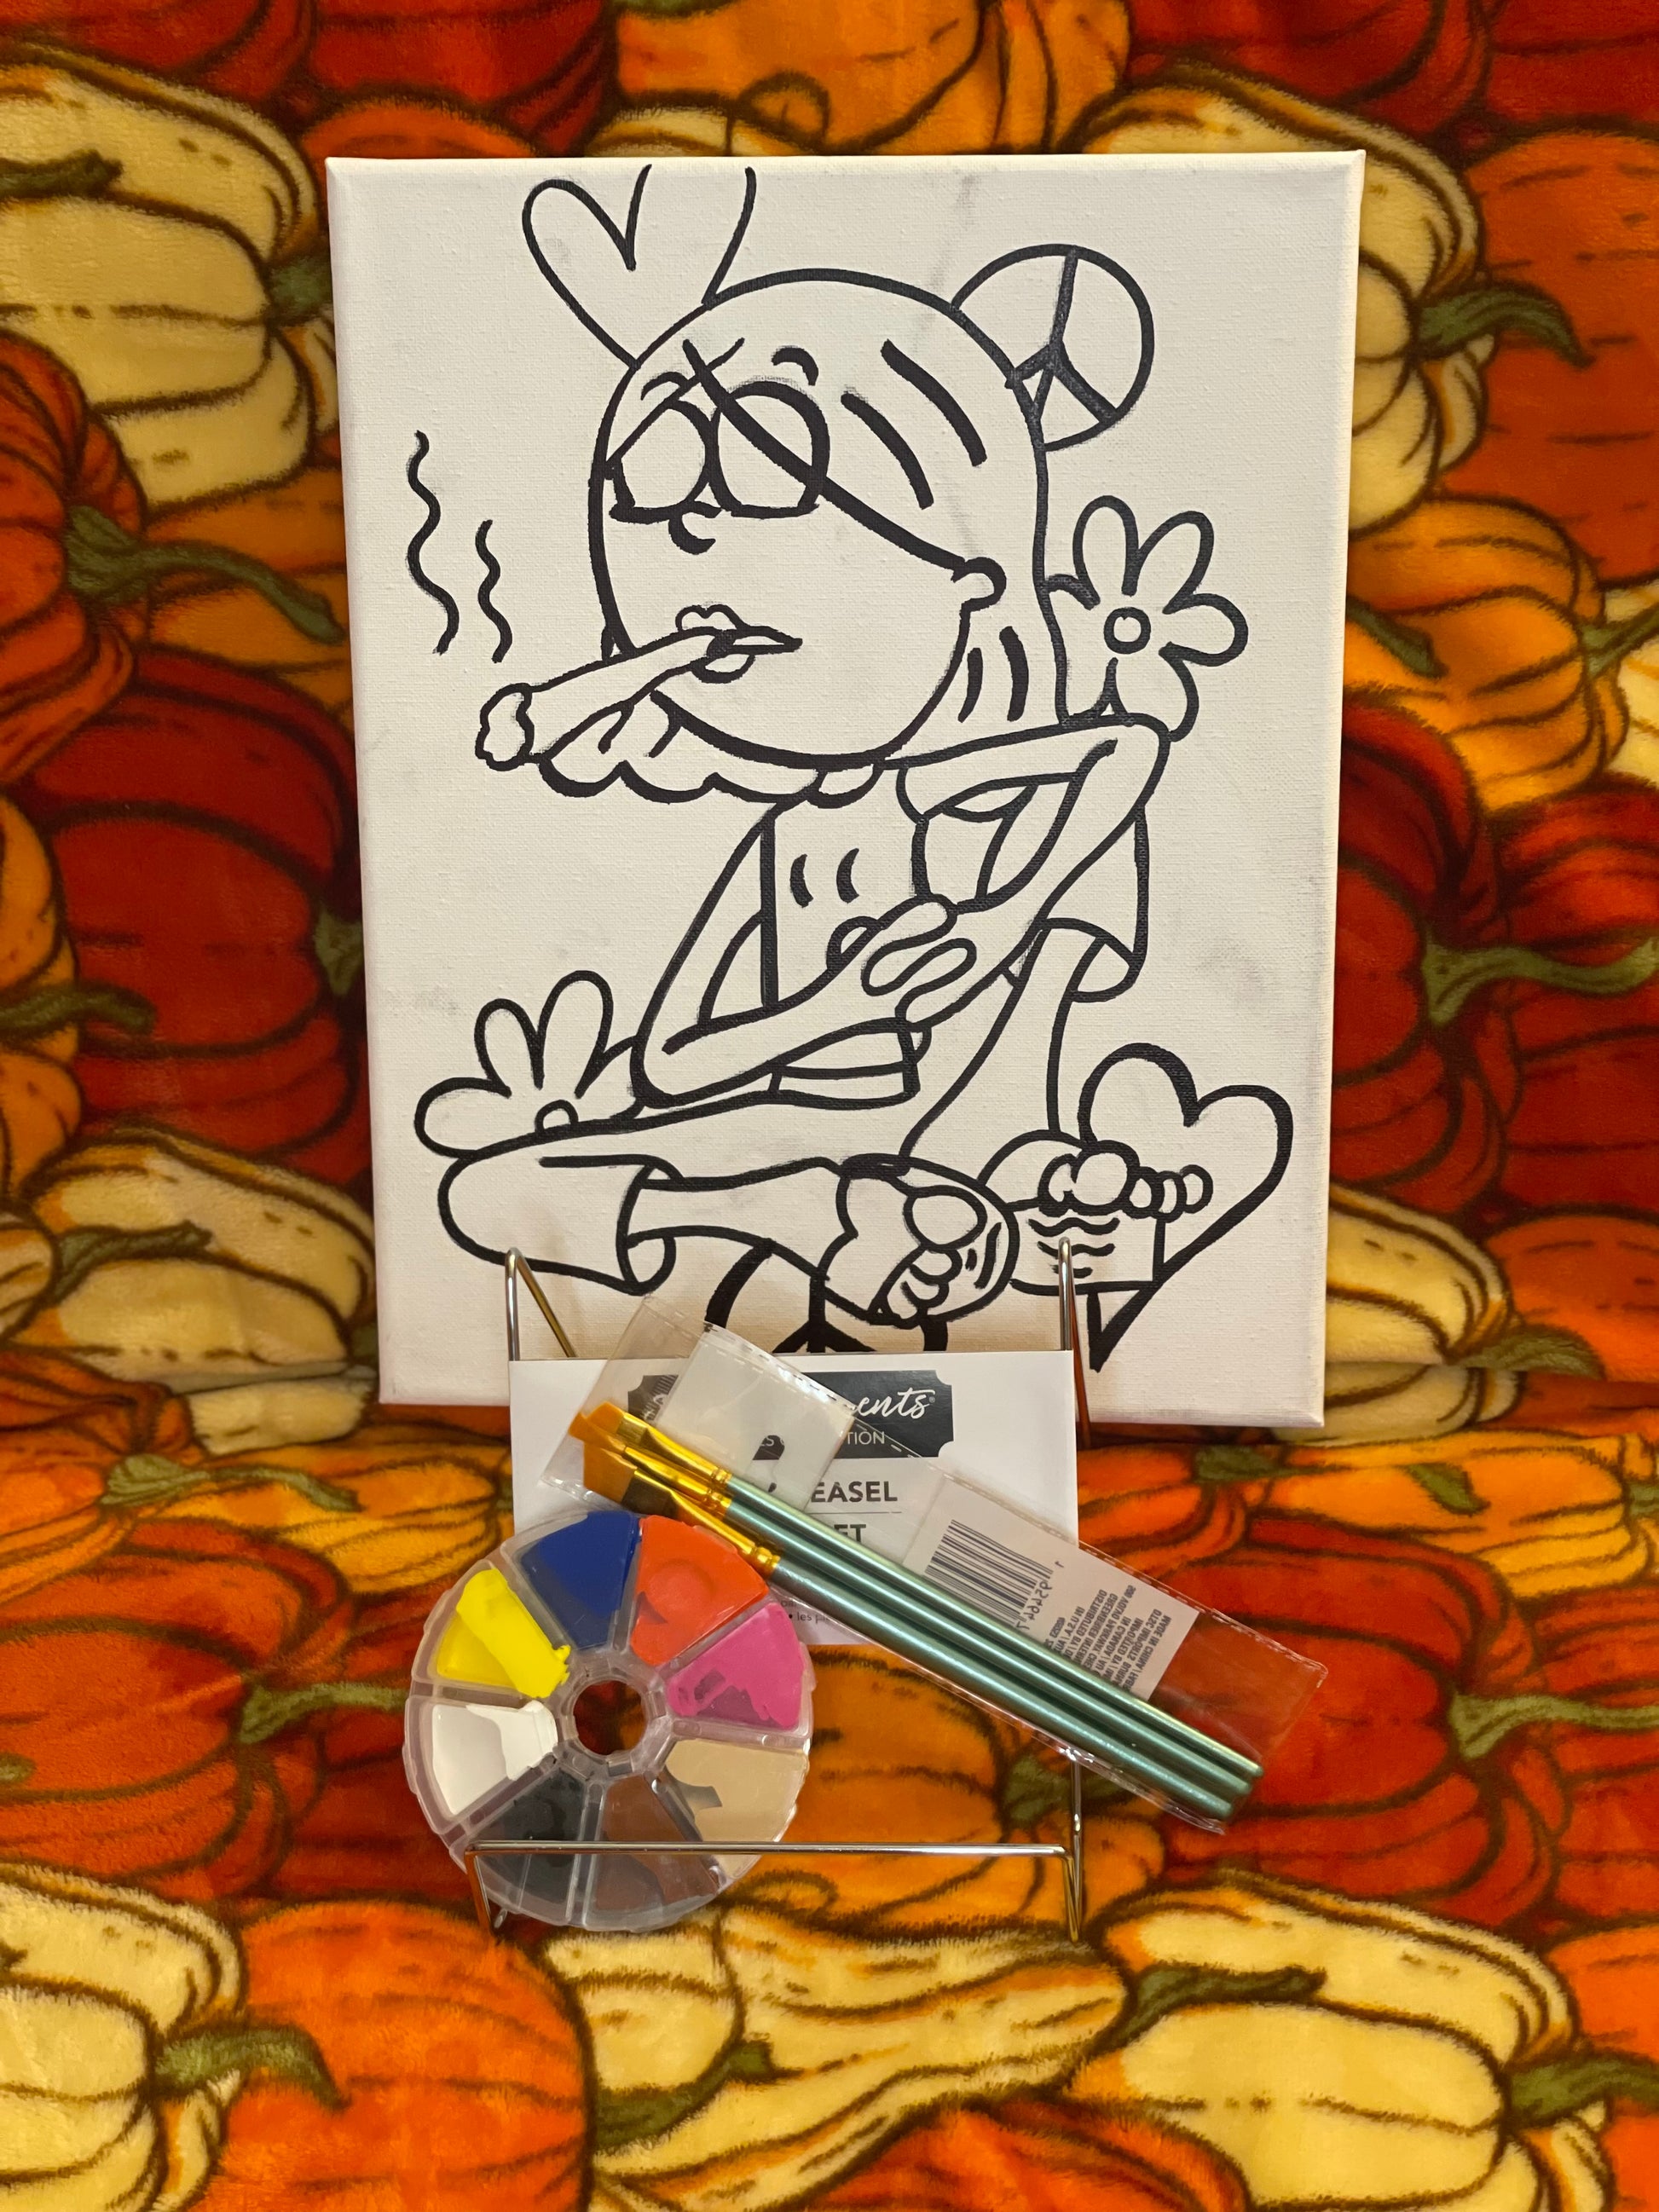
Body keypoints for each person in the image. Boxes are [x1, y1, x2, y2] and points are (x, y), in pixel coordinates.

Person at [420, 225, 1246, 1345]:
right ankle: (783, 1212)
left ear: (969, 581)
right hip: (787, 1132)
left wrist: (994, 920)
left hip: (938, 1127)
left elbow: (1127, 748)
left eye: (765, 473)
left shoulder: (936, 796)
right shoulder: (787, 838)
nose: (695, 525)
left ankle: (829, 1222)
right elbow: (668, 1060)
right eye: (653, 479)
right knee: (481, 1193)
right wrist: (829, 1010)